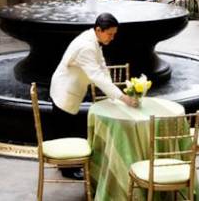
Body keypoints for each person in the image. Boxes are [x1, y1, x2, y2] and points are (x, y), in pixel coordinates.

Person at [49, 13, 138, 179]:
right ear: (99, 29)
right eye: (110, 34)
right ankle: (68, 169)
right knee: (66, 131)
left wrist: (114, 94)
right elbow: (96, 76)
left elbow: (102, 67)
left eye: (114, 34)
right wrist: (123, 98)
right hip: (65, 90)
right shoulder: (86, 47)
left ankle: (65, 164)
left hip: (69, 88)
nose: (112, 38)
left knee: (66, 128)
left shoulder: (93, 39)